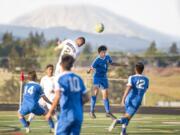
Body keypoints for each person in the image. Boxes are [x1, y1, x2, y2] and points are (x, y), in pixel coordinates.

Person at [46, 54, 89, 135]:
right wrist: (77, 104)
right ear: (71, 65)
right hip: (78, 115)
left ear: (61, 64)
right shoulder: (78, 78)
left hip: (66, 114)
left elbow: (57, 96)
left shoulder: (59, 78)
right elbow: (86, 98)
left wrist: (50, 112)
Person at [108, 62, 149, 135]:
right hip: (136, 100)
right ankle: (117, 121)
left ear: (135, 69)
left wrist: (123, 98)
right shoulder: (146, 79)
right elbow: (145, 89)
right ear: (142, 70)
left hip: (128, 98)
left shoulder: (132, 77)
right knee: (127, 117)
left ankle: (123, 132)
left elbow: (128, 88)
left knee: (127, 115)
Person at [87, 45, 126, 119]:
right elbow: (92, 67)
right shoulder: (97, 60)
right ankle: (91, 111)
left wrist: (121, 65)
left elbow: (112, 63)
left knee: (105, 95)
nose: (104, 54)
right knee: (95, 93)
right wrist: (89, 71)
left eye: (105, 52)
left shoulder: (108, 57)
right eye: (103, 52)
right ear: (99, 53)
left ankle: (108, 112)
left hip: (104, 78)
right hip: (97, 78)